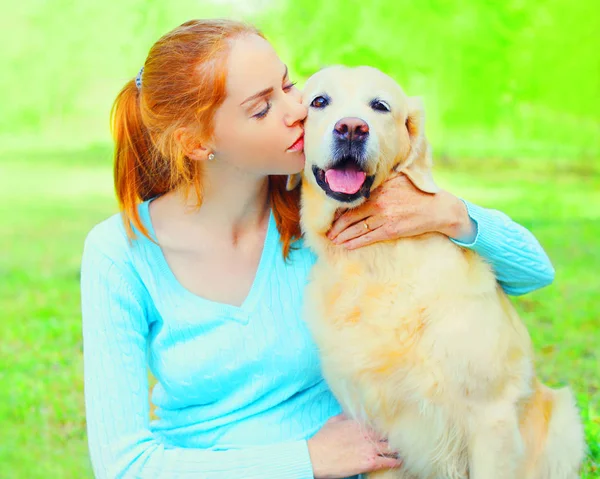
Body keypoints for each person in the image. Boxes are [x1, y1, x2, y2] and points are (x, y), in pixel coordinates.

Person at [80, 18, 555, 479]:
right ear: (197, 142)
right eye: (262, 107)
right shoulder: (117, 253)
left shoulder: (327, 215)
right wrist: (306, 460)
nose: (297, 111)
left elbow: (532, 271)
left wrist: (449, 213)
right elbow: (124, 466)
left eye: (288, 85)